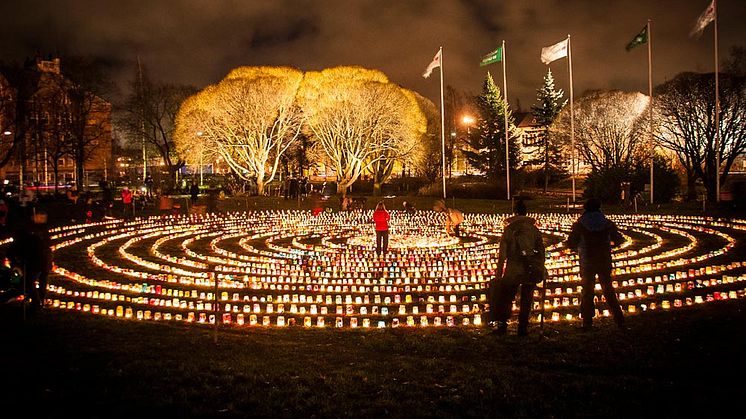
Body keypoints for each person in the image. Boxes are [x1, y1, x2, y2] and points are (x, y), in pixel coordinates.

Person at [565, 198, 626, 330]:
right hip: (604, 260)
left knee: (587, 291)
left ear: (585, 208)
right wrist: (609, 244)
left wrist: (573, 247)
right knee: (608, 290)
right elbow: (619, 239)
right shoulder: (607, 223)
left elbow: (571, 242)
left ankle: (587, 322)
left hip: (587, 261)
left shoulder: (580, 224)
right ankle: (619, 319)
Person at [489, 199, 546, 336]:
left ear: (514, 213)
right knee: (527, 298)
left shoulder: (509, 230)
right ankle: (523, 327)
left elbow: (503, 253)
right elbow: (541, 250)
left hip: (513, 267)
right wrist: (540, 266)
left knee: (507, 297)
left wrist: (498, 273)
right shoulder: (534, 230)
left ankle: (502, 326)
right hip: (529, 267)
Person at [6, 211, 52, 311]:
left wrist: (16, 263)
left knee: (30, 282)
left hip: (38, 262)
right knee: (38, 281)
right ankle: (39, 300)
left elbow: (11, 253)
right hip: (42, 261)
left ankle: (37, 302)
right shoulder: (32, 238)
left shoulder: (25, 240)